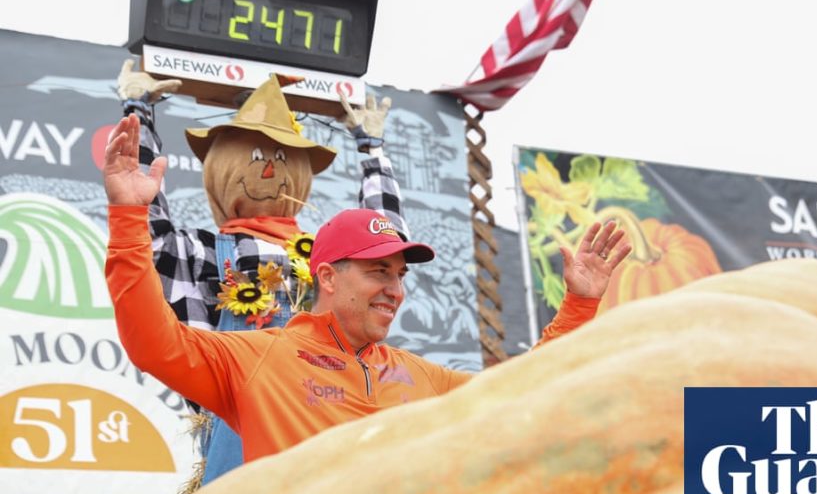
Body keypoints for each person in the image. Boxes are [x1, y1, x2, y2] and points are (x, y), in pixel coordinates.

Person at [103, 113, 632, 463]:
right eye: (379, 272)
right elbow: (154, 342)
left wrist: (579, 303)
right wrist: (130, 215)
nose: (395, 289)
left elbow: (521, 390)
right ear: (327, 277)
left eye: (401, 275)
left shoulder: (417, 375)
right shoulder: (258, 359)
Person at [116, 62, 409, 483]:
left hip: (331, 430)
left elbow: (386, 248)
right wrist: (138, 111)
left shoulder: (322, 255)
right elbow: (145, 225)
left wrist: (372, 150)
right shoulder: (200, 252)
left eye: (280, 158)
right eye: (255, 158)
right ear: (223, 171)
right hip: (244, 445)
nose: (269, 172)